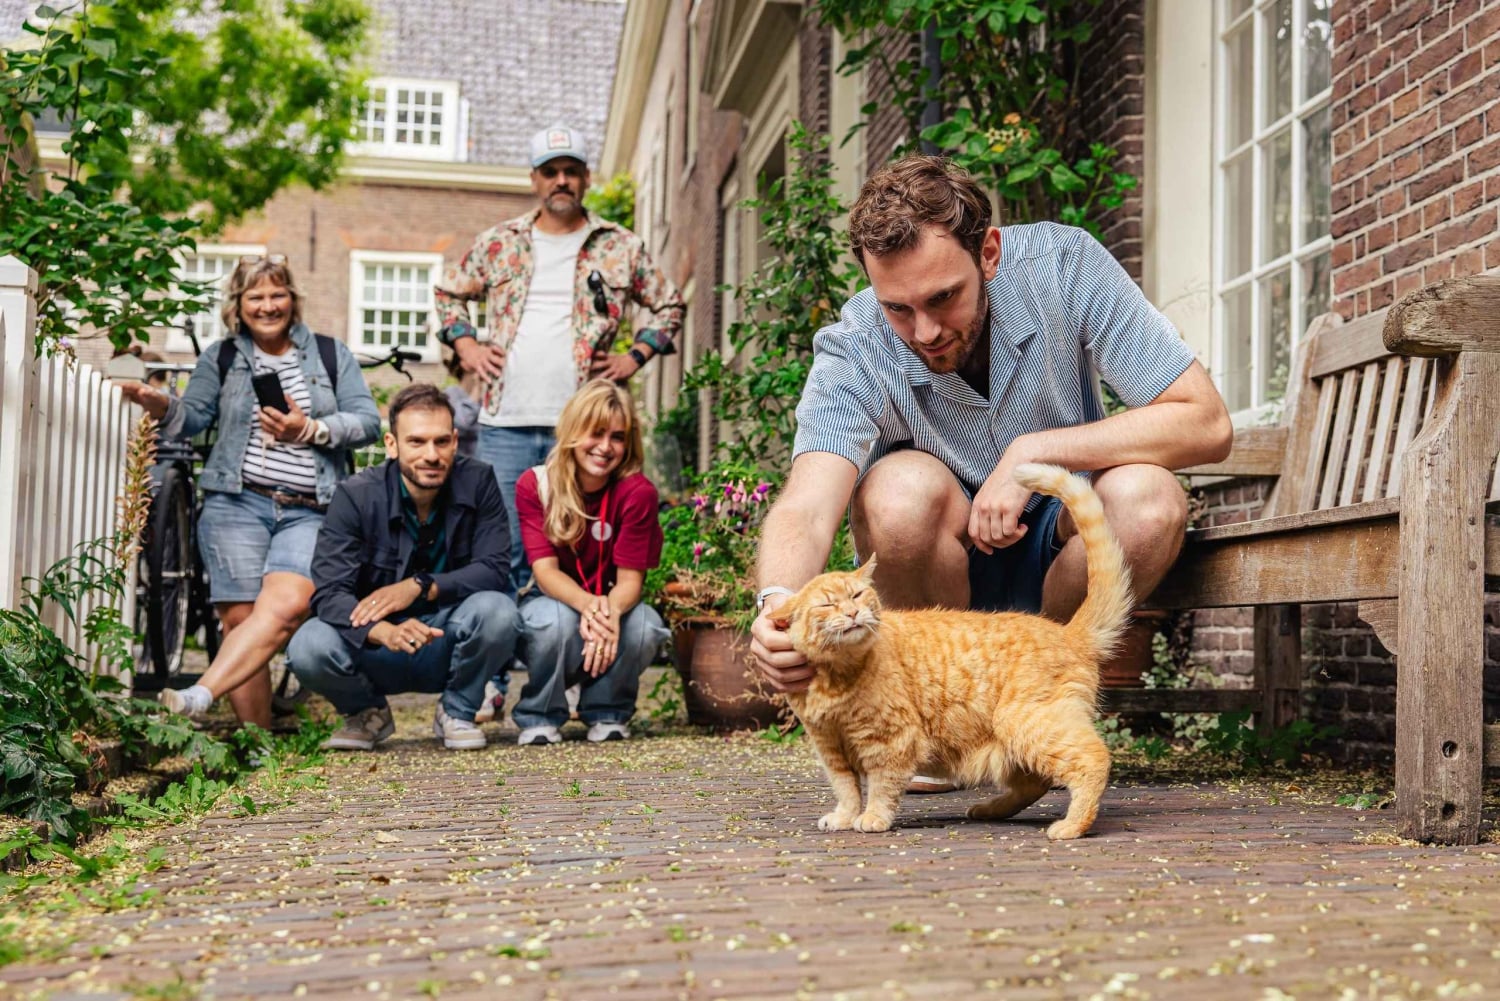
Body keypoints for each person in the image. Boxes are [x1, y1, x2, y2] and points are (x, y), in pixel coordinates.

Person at [749, 155, 1233, 788]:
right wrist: (777, 606)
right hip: (937, 598)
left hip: (1061, 550)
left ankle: (1035, 720)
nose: (923, 331)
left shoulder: (1065, 267)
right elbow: (807, 504)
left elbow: (1206, 423)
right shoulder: (858, 346)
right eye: (897, 308)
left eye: (943, 297)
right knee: (897, 492)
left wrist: (1037, 452)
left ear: (990, 253)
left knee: (1149, 499)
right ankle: (938, 736)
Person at [119, 255, 382, 728]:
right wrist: (160, 403)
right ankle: (256, 747)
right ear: (237, 305)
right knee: (240, 619)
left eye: (276, 294)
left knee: (287, 605)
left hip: (311, 508)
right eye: (255, 296)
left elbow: (367, 421)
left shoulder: (328, 353)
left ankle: (201, 694)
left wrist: (311, 429)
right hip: (235, 503)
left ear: (293, 300)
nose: (267, 306)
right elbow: (194, 417)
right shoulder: (221, 356)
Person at [432, 123, 685, 591]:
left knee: (574, 548)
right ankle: (498, 661)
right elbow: (448, 291)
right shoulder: (499, 242)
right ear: (535, 179)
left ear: (586, 177)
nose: (561, 180)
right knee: (502, 546)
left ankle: (570, 650)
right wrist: (466, 345)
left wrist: (635, 356)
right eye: (550, 171)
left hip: (584, 430)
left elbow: (670, 304)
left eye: (571, 170)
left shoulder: (620, 246)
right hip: (504, 419)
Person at [287, 384, 521, 751]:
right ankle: (367, 714)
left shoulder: (479, 481)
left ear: (456, 441)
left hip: (448, 636)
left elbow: (494, 569)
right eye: (417, 442)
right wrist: (381, 631)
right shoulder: (355, 495)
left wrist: (420, 586)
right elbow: (330, 594)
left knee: (500, 612)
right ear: (392, 444)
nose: (432, 455)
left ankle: (457, 710)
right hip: (376, 645)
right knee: (308, 645)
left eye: (442, 442)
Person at [509, 379, 669, 746]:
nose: (605, 447)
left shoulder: (637, 492)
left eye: (617, 437)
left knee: (645, 624)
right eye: (595, 433)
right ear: (572, 431)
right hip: (556, 602)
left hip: (615, 600)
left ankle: (607, 710)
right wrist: (591, 609)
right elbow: (544, 571)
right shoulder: (535, 485)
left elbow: (631, 581)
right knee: (557, 622)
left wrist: (608, 614)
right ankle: (540, 713)